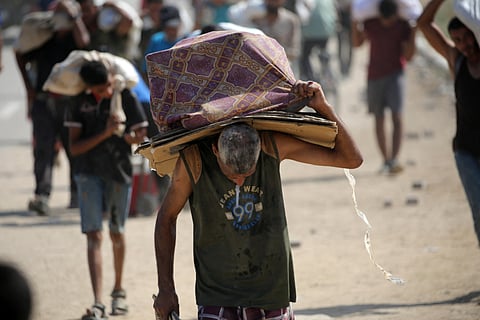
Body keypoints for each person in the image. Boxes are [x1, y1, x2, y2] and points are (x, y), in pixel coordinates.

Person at [151, 80, 363, 319]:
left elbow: (351, 159)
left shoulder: (272, 146)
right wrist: (166, 289)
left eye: (247, 173)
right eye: (232, 173)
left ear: (259, 147)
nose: (240, 182)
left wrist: (323, 107)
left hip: (271, 289)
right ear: (215, 150)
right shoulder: (194, 160)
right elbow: (166, 218)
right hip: (217, 293)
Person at [65, 60, 148, 319]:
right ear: (91, 88)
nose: (108, 91)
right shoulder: (79, 102)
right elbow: (75, 148)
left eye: (110, 84)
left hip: (119, 172)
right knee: (94, 236)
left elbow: (141, 134)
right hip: (88, 174)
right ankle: (98, 301)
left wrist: (126, 136)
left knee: (116, 233)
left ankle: (118, 292)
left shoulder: (126, 96)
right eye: (102, 88)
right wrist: (106, 132)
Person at [15, 0, 90, 214]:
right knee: (43, 150)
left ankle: (77, 195)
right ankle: (42, 196)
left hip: (69, 102)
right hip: (44, 101)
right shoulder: (43, 40)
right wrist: (29, 88)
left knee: (73, 148)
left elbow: (84, 42)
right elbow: (19, 53)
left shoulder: (74, 41)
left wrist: (74, 16)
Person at [417, 0, 480, 247]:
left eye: (467, 37)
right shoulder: (457, 60)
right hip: (465, 152)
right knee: (478, 211)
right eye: (458, 39)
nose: (464, 45)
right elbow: (423, 24)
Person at [351, 0, 416, 174]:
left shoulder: (403, 26)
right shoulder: (370, 23)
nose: (387, 24)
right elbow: (357, 44)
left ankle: (394, 159)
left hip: (396, 74)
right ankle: (386, 160)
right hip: (374, 75)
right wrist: (354, 23)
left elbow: (408, 56)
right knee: (378, 118)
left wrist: (414, 33)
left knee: (397, 115)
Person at [251, 0, 302, 77]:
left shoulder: (291, 20)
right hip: (259, 68)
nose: (273, 2)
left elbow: (294, 50)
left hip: (284, 69)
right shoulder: (256, 18)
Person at [299, 0, 337, 82]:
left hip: (309, 33)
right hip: (325, 31)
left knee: (305, 56)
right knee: (323, 52)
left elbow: (302, 15)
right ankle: (327, 74)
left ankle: (310, 77)